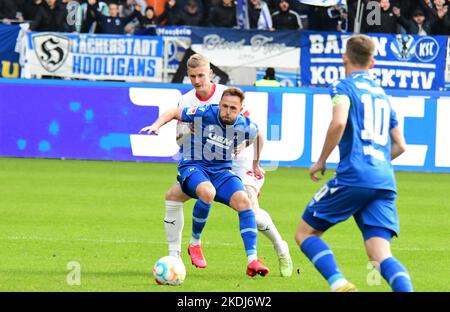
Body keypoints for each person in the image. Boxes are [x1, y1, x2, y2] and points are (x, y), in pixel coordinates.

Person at [294, 34, 413, 292]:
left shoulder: (343, 86)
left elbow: (339, 122)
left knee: (305, 233)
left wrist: (321, 161)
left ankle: (338, 284)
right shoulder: (383, 95)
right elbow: (401, 145)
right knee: (380, 256)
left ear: (344, 58)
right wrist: (376, 163)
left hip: (354, 174)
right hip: (384, 179)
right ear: (373, 63)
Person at [161, 54, 293, 277]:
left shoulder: (227, 96)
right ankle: (174, 258)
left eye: (201, 75)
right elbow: (179, 139)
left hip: (237, 163)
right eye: (192, 76)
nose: (197, 81)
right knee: (173, 197)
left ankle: (281, 247)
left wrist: (250, 155)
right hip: (203, 162)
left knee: (251, 210)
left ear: (210, 73)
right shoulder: (186, 101)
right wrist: (188, 132)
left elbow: (252, 129)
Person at [139, 88, 270, 277]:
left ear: (241, 110)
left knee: (245, 202)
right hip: (194, 165)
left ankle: (253, 261)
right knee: (208, 192)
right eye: (224, 106)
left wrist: (255, 163)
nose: (226, 111)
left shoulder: (245, 126)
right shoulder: (206, 112)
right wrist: (156, 125)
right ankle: (195, 243)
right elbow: (175, 112)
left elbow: (258, 136)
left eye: (233, 108)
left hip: (222, 171)